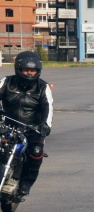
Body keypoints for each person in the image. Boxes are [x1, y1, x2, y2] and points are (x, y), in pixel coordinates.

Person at [0, 51, 53, 195]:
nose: (29, 73)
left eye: (33, 70)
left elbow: (48, 107)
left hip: (32, 128)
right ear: (18, 69)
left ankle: (25, 183)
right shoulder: (6, 82)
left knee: (36, 152)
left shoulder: (43, 87)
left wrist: (45, 125)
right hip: (7, 125)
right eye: (26, 70)